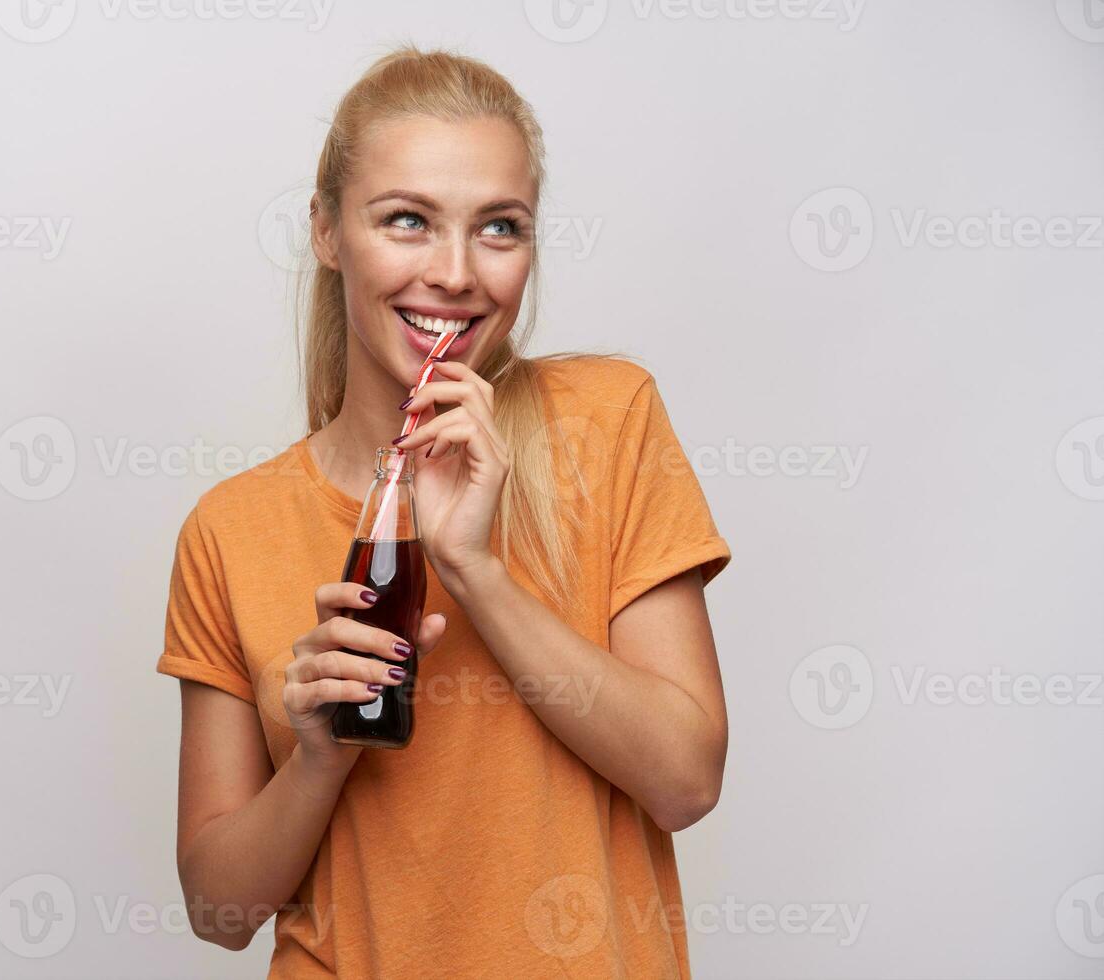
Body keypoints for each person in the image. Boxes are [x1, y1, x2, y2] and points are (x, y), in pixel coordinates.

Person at [156, 43, 733, 980]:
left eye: (499, 228)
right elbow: (220, 911)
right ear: (328, 232)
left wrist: (477, 571)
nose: (457, 273)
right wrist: (317, 755)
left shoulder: (608, 422)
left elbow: (685, 780)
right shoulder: (232, 528)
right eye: (408, 221)